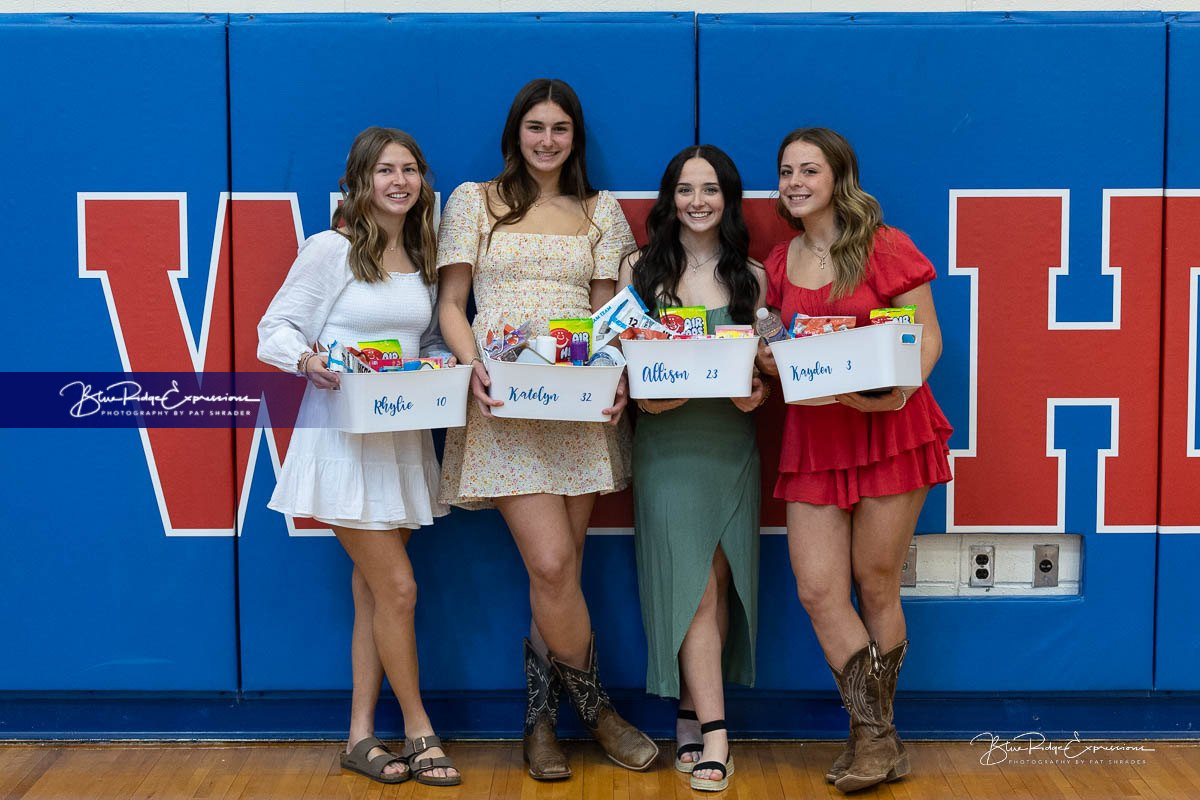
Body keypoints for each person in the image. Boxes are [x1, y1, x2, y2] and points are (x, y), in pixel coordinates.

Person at [436, 78, 657, 780]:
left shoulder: (601, 211)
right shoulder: (475, 200)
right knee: (553, 564)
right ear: (516, 132)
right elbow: (451, 304)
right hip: (504, 401)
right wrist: (472, 366)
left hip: (576, 404)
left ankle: (538, 725)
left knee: (557, 572)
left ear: (575, 137)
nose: (546, 139)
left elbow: (606, 319)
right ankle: (600, 713)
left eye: (560, 128)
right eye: (535, 126)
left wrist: (616, 375)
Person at [257, 127, 460, 787]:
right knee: (398, 588)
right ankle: (420, 730)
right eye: (385, 171)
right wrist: (309, 359)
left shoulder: (420, 252)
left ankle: (359, 737)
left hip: (400, 438)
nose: (399, 182)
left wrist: (436, 361)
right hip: (342, 441)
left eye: (410, 170)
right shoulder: (330, 250)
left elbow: (427, 337)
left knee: (376, 591)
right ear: (360, 182)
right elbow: (275, 330)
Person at [759, 127, 953, 794]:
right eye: (786, 171)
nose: (795, 182)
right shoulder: (780, 261)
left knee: (875, 583)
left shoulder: (884, 245)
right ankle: (878, 737)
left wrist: (897, 393)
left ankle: (872, 740)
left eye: (809, 170)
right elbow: (786, 347)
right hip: (815, 438)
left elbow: (926, 337)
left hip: (889, 432)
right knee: (818, 589)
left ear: (840, 178)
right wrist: (766, 360)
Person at [618, 145, 767, 793]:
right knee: (694, 586)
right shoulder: (638, 269)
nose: (697, 201)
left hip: (730, 445)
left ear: (728, 198)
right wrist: (661, 391)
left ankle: (687, 710)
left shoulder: (753, 276)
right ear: (668, 197)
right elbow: (632, 379)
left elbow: (763, 385)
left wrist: (752, 392)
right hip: (668, 445)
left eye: (710, 189)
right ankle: (717, 734)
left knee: (720, 580)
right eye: (685, 189)